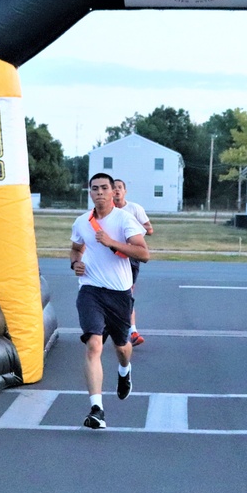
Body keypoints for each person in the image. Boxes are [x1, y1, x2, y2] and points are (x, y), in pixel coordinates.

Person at [70, 173, 150, 429]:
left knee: (122, 347)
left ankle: (124, 371)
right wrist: (75, 263)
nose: (100, 192)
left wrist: (111, 242)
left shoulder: (125, 220)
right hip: (90, 289)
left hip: (119, 294)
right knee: (94, 345)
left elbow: (143, 253)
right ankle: (97, 409)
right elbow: (75, 248)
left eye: (105, 188)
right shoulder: (83, 221)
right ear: (90, 193)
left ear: (113, 192)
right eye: (95, 189)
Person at [113, 179, 153, 346]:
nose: (116, 191)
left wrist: (132, 233)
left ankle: (133, 332)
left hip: (130, 257)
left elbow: (149, 229)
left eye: (119, 188)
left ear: (125, 191)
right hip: (111, 257)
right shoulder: (105, 211)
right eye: (113, 188)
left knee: (126, 293)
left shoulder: (134, 209)